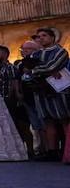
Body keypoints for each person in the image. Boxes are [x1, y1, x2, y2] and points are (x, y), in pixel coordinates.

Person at [22, 27, 68, 161]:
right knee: (47, 122)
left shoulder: (61, 52)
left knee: (64, 120)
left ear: (52, 37)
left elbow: (52, 66)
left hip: (59, 91)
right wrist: (36, 71)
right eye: (39, 36)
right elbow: (25, 70)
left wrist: (35, 71)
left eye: (44, 35)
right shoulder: (35, 55)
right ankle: (51, 151)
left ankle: (66, 150)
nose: (41, 38)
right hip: (40, 91)